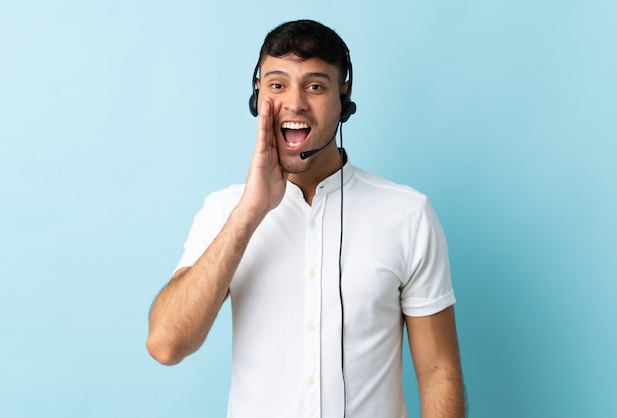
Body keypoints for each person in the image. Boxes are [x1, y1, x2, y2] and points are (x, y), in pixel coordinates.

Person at [147, 19, 465, 418]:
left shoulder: (408, 214)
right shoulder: (224, 211)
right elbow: (166, 344)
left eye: (315, 86)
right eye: (277, 85)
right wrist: (250, 212)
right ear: (257, 95)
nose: (294, 103)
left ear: (343, 99)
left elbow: (439, 373)